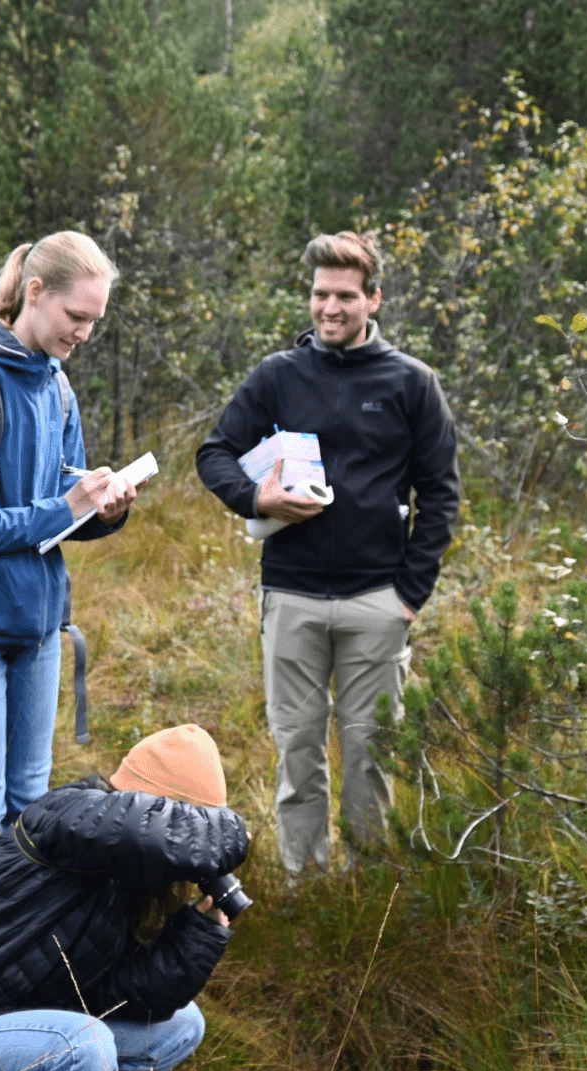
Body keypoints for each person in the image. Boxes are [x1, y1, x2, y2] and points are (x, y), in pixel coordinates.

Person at [195, 231, 460, 877]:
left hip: (377, 602)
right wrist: (257, 498)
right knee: (298, 753)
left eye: (345, 296)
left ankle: (366, 889)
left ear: (374, 299)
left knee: (372, 756)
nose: (330, 309)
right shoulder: (279, 376)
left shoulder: (411, 383)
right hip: (291, 597)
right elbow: (214, 453)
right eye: (320, 295)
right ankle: (304, 885)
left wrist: (408, 596)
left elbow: (442, 495)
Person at [0, 231, 142, 887]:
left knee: (30, 807)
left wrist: (105, 510)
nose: (85, 333)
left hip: (40, 628)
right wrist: (62, 506)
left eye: (95, 321)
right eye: (77, 317)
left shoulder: (59, 390)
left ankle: (11, 945)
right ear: (35, 294)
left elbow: (58, 520)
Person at [0, 724, 249, 1071]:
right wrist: (232, 832)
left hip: (28, 1032)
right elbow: (137, 829)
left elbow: (120, 998)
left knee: (182, 1025)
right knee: (83, 1043)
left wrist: (201, 934)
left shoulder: (132, 880)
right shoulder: (68, 814)